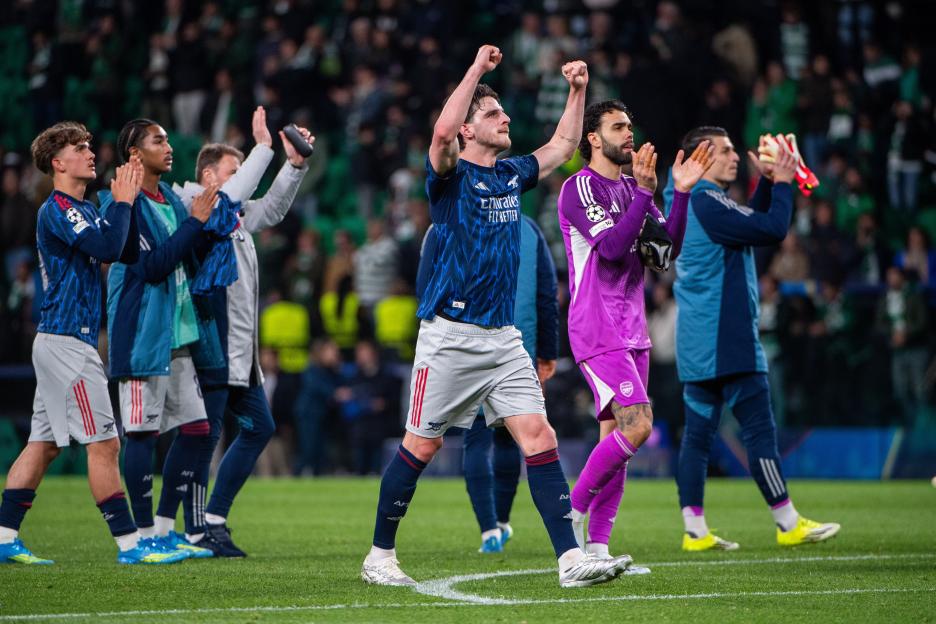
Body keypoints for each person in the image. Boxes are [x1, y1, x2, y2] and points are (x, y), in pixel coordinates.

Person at [361, 45, 628, 589]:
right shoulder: (449, 177)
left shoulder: (510, 175)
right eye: (491, 114)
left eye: (502, 111)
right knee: (422, 445)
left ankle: (570, 560)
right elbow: (438, 137)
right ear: (467, 130)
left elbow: (562, 145)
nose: (504, 117)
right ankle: (379, 556)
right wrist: (476, 71)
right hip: (449, 338)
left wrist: (577, 90)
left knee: (539, 436)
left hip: (504, 338)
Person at [0, 121, 182, 565]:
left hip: (60, 340)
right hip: (67, 344)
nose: (89, 153)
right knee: (105, 444)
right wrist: (122, 202)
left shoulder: (82, 208)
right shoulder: (60, 208)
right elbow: (107, 246)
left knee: (44, 444)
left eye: (87, 146)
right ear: (58, 163)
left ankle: (3, 538)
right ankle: (130, 545)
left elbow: (123, 248)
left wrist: (130, 202)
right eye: (79, 148)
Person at [665, 126, 840, 550]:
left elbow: (752, 223)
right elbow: (772, 229)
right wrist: (782, 182)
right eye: (725, 152)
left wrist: (766, 182)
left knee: (697, 437)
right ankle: (787, 521)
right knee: (760, 430)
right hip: (729, 339)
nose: (734, 158)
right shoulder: (707, 203)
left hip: (699, 342)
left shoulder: (698, 203)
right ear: (701, 159)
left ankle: (695, 531)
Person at [557, 100, 714, 561]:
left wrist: (679, 193)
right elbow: (609, 249)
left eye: (630, 125)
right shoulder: (579, 188)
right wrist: (646, 195)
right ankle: (575, 510)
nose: (629, 134)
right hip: (596, 325)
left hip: (632, 328)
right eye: (618, 126)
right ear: (593, 137)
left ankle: (599, 549)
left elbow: (662, 256)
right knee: (639, 424)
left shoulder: (633, 187)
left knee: (617, 440)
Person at [173, 107, 313, 557]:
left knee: (257, 428)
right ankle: (195, 527)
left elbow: (270, 209)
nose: (243, 179)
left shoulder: (232, 216)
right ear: (210, 175)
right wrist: (263, 148)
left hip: (240, 354)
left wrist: (292, 165)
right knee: (204, 436)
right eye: (235, 171)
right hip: (209, 349)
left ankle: (212, 516)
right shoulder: (199, 208)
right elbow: (236, 197)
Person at [104, 119, 222, 559]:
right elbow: (151, 267)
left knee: (196, 429)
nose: (169, 146)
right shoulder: (122, 204)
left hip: (175, 334)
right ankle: (140, 536)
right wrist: (195, 224)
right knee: (142, 434)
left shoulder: (169, 198)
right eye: (158, 141)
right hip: (141, 335)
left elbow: (185, 250)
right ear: (135, 154)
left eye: (169, 139)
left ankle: (163, 528)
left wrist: (208, 230)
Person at [417, 213, 558, 554]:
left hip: (462, 344)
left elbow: (425, 291)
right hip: (518, 346)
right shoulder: (529, 230)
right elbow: (547, 296)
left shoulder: (444, 224)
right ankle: (502, 522)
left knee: (476, 440)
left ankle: (488, 531)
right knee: (513, 438)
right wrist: (547, 353)